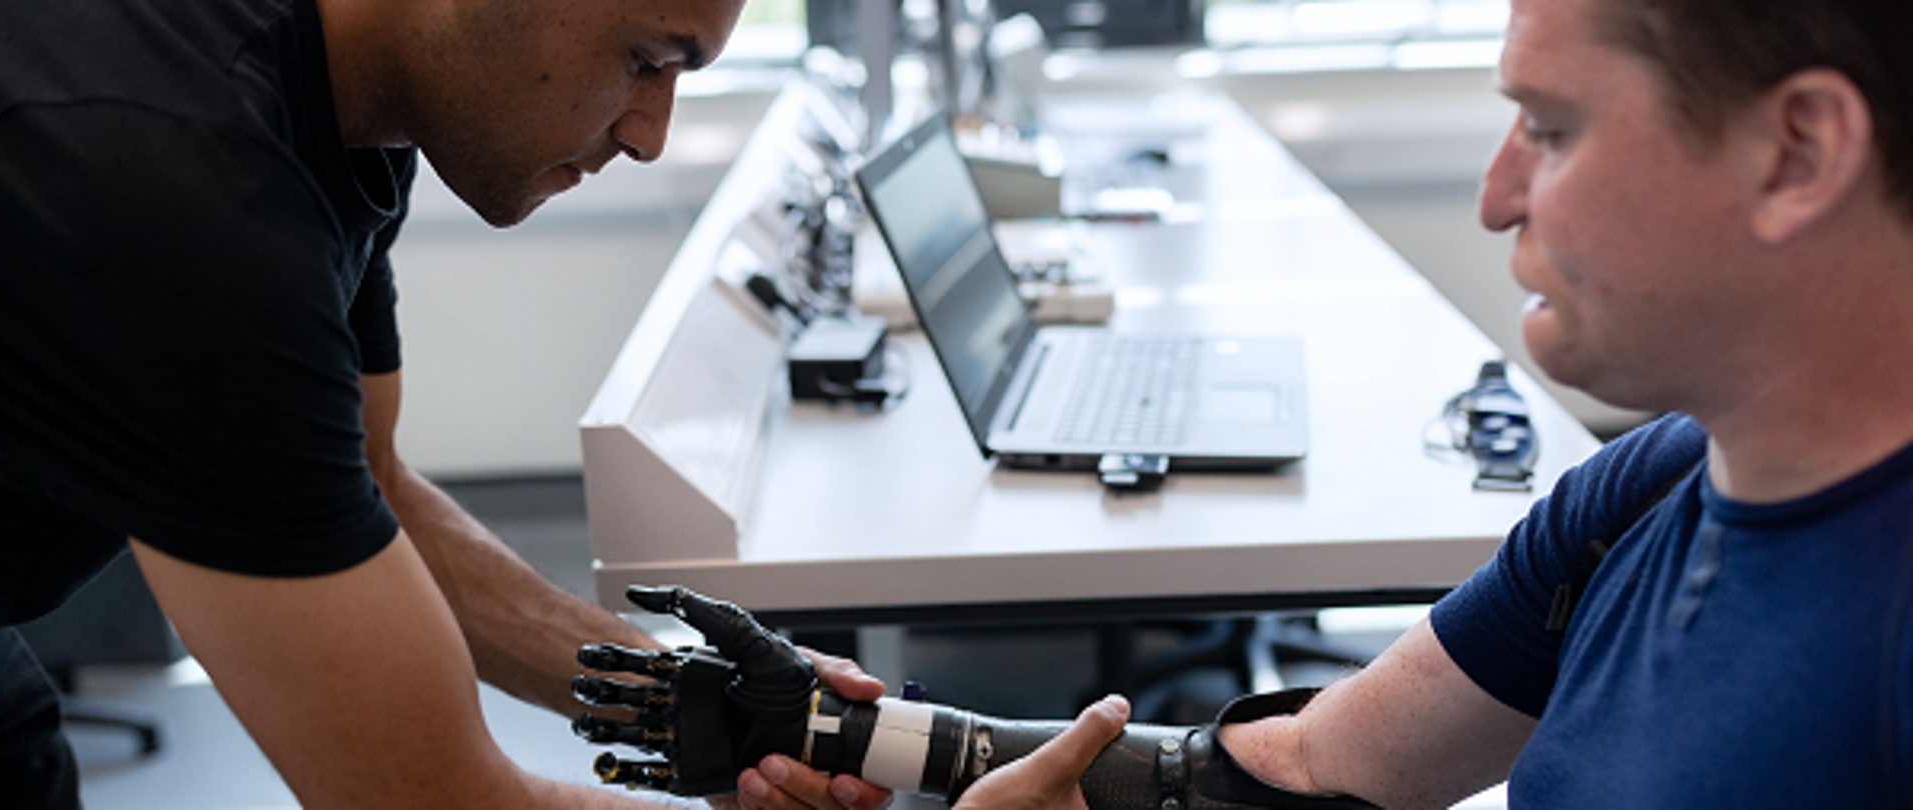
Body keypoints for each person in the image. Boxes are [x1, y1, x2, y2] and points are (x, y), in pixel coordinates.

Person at [739, 0, 1913, 806]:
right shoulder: (1654, 484)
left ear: (1799, 154)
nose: (1498, 199)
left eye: (1552, 132)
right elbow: (1286, 770)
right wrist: (859, 734)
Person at [0, 0, 894, 806]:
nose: (652, 135)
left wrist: (692, 699)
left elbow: (369, 480)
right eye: (646, 59)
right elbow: (427, 794)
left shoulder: (348, 106)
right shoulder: (185, 186)